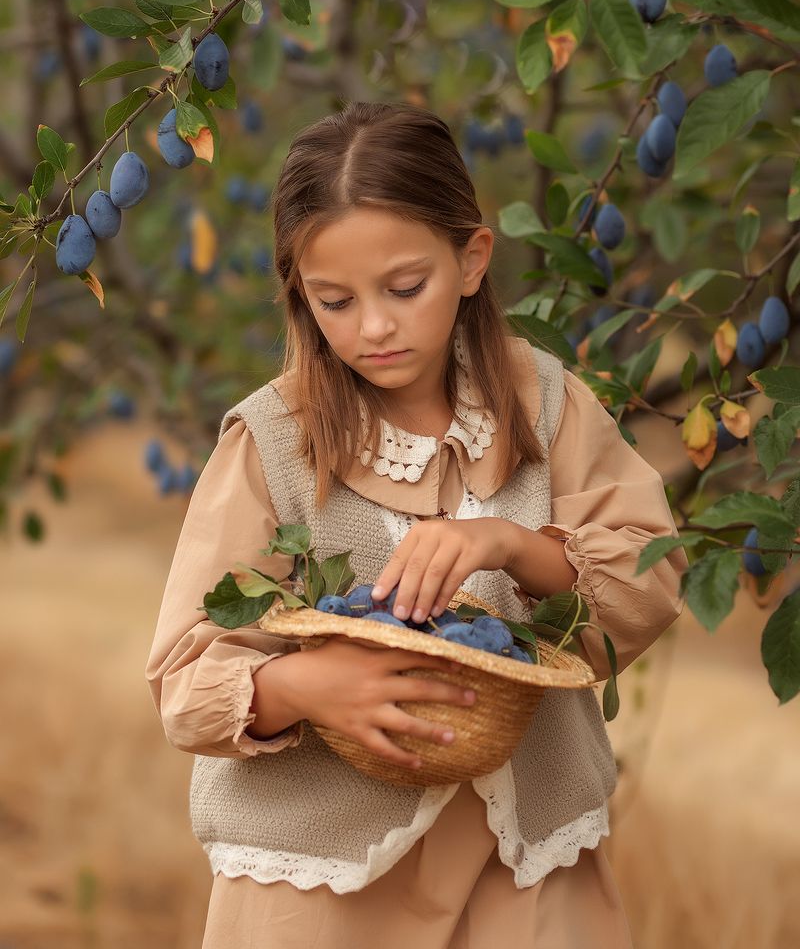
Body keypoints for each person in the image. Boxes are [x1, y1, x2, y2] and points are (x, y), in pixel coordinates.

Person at [145, 100, 687, 948]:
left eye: (405, 288)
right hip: (321, 888)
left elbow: (648, 580)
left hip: (529, 871)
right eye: (334, 300)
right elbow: (184, 679)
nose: (375, 327)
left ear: (471, 259)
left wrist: (512, 545)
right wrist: (304, 688)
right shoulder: (273, 443)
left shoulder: (542, 403)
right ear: (300, 294)